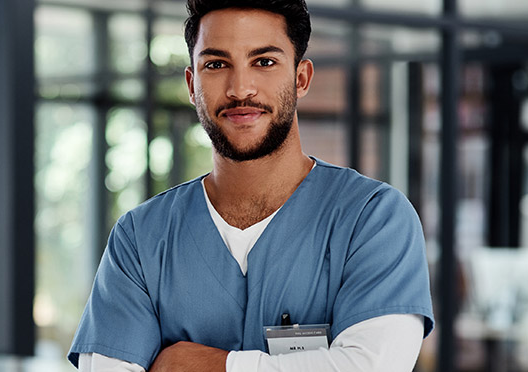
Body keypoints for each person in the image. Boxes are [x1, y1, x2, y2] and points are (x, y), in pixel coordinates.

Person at [67, 1, 435, 371]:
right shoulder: (141, 238)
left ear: (301, 78)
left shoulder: (373, 219)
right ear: (192, 85)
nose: (240, 88)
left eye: (264, 62)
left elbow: (370, 366)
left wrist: (215, 365)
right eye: (216, 64)